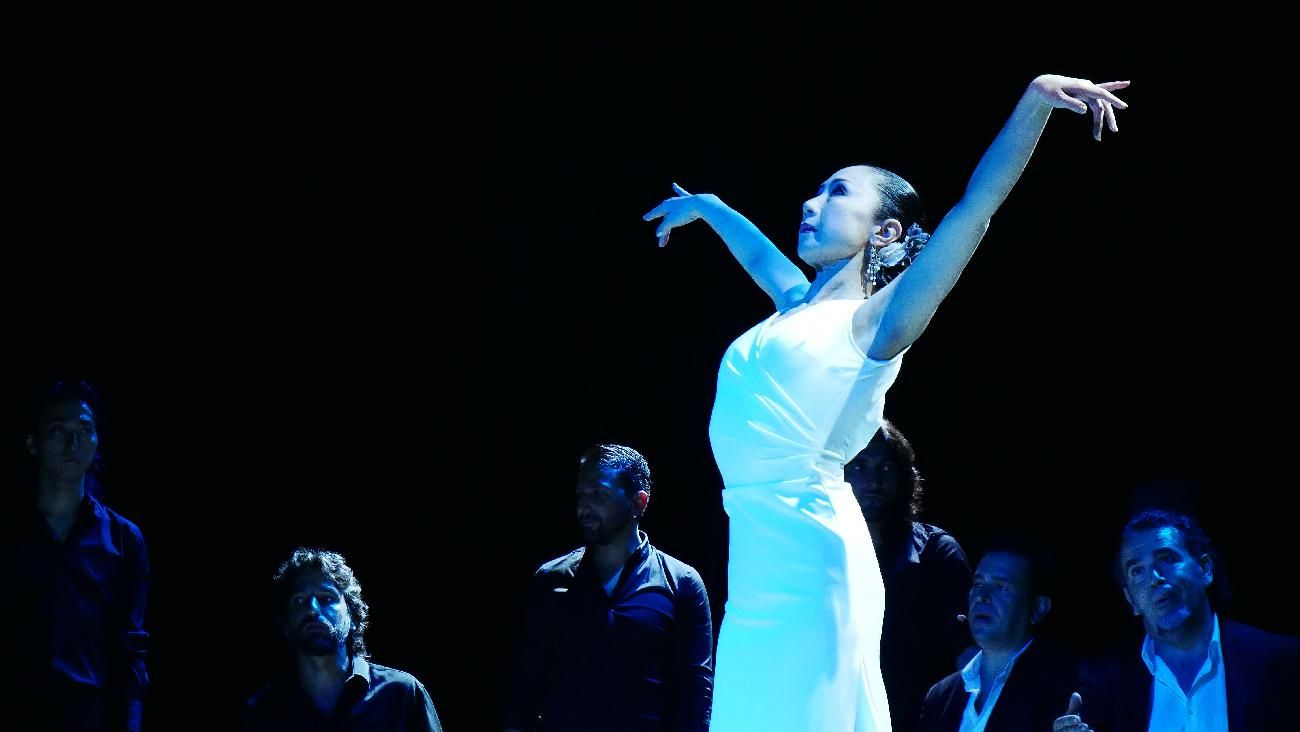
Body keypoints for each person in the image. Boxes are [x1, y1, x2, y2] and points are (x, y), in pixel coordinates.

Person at [643, 73, 1129, 731]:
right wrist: (710, 208)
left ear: (885, 230)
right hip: (756, 562)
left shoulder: (874, 324)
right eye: (817, 190)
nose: (812, 202)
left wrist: (1034, 102)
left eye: (838, 192)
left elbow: (975, 208)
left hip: (813, 561)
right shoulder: (794, 304)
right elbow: (758, 254)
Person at [503, 443, 714, 731]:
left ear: (638, 502)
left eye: (598, 493)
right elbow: (524, 690)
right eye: (581, 494)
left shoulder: (682, 583)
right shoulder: (551, 580)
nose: (584, 506)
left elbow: (696, 697)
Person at [1053, 510, 1300, 732]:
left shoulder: (1282, 661)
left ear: (1205, 569)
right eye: (1137, 571)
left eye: (1167, 558)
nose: (1155, 577)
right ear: (1131, 600)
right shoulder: (1103, 685)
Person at [5, 380, 149, 732]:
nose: (73, 442)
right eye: (59, 429)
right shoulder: (8, 532)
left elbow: (130, 650)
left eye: (84, 430)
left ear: (96, 442)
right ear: (32, 442)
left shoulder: (124, 540)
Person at [846, 421, 973, 732]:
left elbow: (970, 662)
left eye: (886, 468)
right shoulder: (821, 554)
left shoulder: (936, 554)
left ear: (903, 477)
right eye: (860, 467)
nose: (874, 480)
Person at [240, 548, 443, 731]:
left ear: (353, 616)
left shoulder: (402, 694)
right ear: (285, 624)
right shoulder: (260, 710)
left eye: (326, 598)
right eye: (299, 600)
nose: (312, 609)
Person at [918, 537, 1075, 732]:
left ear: (1038, 608)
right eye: (978, 584)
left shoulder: (1063, 692)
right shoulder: (940, 697)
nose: (982, 596)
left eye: (1001, 587)